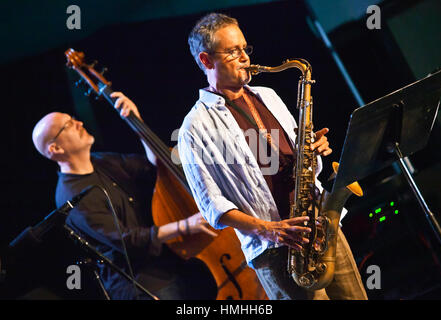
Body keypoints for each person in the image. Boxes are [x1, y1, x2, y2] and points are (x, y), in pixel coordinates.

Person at [178, 13, 367, 300]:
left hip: (319, 228)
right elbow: (212, 206)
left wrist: (312, 149)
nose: (244, 57)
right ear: (206, 60)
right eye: (233, 51)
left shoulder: (267, 95)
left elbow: (299, 162)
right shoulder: (195, 127)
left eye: (245, 48)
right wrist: (269, 231)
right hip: (276, 251)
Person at [32, 92, 217, 300]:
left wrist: (137, 123)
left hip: (171, 262)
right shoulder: (71, 196)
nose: (79, 123)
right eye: (68, 125)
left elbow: (154, 167)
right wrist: (184, 226)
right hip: (143, 285)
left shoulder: (101, 160)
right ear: (55, 148)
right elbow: (127, 240)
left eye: (73, 118)